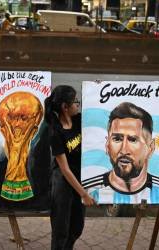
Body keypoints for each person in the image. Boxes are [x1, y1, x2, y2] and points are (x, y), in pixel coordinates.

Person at [82, 102, 159, 203]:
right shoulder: (87, 192)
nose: (124, 150)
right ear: (107, 144)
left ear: (151, 148)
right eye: (117, 139)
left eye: (133, 140)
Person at [44, 85, 95, 250]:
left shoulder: (79, 120)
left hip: (79, 178)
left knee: (77, 228)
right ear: (65, 107)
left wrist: (98, 88)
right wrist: (84, 194)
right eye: (75, 102)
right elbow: (64, 169)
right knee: (61, 231)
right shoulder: (55, 131)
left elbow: (98, 110)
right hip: (63, 182)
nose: (77, 105)